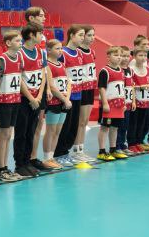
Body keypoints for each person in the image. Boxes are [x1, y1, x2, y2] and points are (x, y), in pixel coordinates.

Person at [15, 24, 47, 177]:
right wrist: (31, 98)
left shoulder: (41, 52)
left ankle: (27, 161)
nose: (42, 36)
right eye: (40, 33)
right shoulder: (20, 53)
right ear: (32, 35)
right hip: (24, 99)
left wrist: (39, 96)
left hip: (37, 98)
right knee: (21, 132)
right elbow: (19, 78)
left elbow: (43, 75)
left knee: (31, 132)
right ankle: (19, 164)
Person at [0, 28, 23, 183]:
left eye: (20, 40)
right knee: (4, 134)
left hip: (16, 100)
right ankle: (0, 168)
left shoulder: (19, 58)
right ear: (8, 43)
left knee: (9, 134)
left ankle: (5, 167)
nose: (20, 43)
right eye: (17, 40)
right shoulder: (2, 60)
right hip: (5, 101)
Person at [54, 25, 86, 162]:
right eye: (80, 35)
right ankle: (58, 153)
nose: (83, 38)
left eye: (83, 35)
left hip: (78, 94)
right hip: (67, 96)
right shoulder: (63, 53)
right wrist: (65, 96)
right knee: (65, 127)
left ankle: (66, 152)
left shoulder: (79, 53)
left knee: (74, 126)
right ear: (72, 35)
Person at [41, 37, 70, 170]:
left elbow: (68, 82)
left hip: (63, 101)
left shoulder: (62, 65)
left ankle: (51, 157)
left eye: (61, 48)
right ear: (49, 50)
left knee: (58, 130)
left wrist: (67, 98)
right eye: (57, 48)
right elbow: (52, 86)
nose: (60, 51)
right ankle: (46, 158)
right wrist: (64, 99)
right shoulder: (47, 65)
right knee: (51, 130)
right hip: (54, 102)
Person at [97, 46, 126, 161]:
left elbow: (121, 88)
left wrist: (124, 103)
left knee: (115, 128)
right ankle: (101, 151)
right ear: (108, 57)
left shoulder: (121, 70)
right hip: (109, 105)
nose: (119, 57)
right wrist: (105, 103)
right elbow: (102, 88)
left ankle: (113, 149)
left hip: (119, 106)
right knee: (105, 128)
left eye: (120, 55)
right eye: (116, 55)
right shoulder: (105, 71)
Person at [74, 24, 97, 161]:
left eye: (93, 35)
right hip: (81, 88)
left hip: (90, 88)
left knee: (85, 121)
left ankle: (81, 149)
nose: (92, 38)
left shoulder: (92, 52)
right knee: (80, 121)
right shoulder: (78, 52)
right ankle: (76, 150)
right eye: (89, 35)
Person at [129, 47, 149, 153]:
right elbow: (130, 86)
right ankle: (132, 143)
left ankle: (139, 141)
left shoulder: (148, 69)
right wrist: (140, 87)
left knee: (146, 122)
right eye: (140, 55)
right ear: (134, 56)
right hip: (136, 101)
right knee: (134, 123)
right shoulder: (131, 70)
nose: (143, 58)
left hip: (147, 101)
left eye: (145, 55)